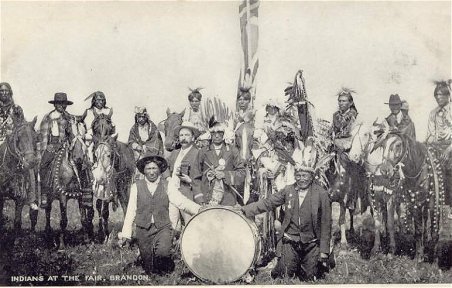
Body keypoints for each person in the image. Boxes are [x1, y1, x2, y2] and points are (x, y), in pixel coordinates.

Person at [241, 144, 332, 281]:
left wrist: (324, 251)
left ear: (312, 176)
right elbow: (268, 203)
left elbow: (326, 224)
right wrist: (245, 209)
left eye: (305, 176)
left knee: (310, 277)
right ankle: (288, 261)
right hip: (291, 240)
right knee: (284, 275)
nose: (301, 179)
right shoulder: (288, 190)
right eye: (298, 175)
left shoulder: (321, 194)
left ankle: (310, 263)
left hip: (311, 243)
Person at [118, 154, 201, 275]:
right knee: (149, 268)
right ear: (144, 171)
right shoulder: (136, 187)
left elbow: (181, 201)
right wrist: (126, 234)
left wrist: (199, 209)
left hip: (163, 227)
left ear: (160, 170)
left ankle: (164, 267)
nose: (152, 172)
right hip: (143, 229)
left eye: (154, 168)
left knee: (163, 253)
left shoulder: (167, 185)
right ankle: (149, 262)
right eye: (148, 169)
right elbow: (131, 211)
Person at [0, 82, 36, 209]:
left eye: (6, 91)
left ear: (10, 93)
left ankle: (32, 198)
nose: (4, 93)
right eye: (1, 91)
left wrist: (14, 132)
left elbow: (21, 125)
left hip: (13, 141)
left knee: (29, 165)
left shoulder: (16, 109)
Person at [329, 88, 366, 211]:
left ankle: (352, 198)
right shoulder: (335, 115)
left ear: (350, 103)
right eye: (339, 101)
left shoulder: (354, 116)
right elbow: (333, 130)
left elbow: (355, 134)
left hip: (349, 146)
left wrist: (345, 144)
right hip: (336, 146)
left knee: (353, 169)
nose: (341, 103)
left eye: (344, 101)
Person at [37, 93, 75, 208]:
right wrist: (47, 147)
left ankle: (84, 193)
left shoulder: (69, 118)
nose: (62, 106)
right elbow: (42, 135)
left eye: (64, 104)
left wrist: (69, 142)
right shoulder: (47, 117)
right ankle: (44, 194)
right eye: (59, 103)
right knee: (43, 165)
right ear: (55, 104)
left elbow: (72, 134)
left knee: (80, 162)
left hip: (65, 146)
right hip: (51, 146)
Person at [165, 121, 204, 229]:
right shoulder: (175, 153)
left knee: (189, 225)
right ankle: (171, 244)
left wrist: (190, 180)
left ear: (193, 138)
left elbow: (203, 176)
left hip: (188, 194)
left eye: (187, 135)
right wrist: (168, 177)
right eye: (181, 135)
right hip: (173, 192)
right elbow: (163, 166)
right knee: (171, 223)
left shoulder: (198, 153)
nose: (183, 138)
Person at [199, 118, 246, 206]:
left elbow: (242, 173)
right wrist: (199, 197)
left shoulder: (233, 151)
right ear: (210, 134)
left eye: (220, 133)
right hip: (207, 197)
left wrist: (225, 175)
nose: (216, 136)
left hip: (227, 198)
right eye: (213, 133)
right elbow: (196, 176)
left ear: (224, 134)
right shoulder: (203, 151)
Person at [426, 80, 452, 216]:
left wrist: (448, 150)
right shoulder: (432, 113)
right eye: (436, 95)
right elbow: (430, 134)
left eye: (441, 94)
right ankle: (432, 204)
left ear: (448, 95)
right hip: (436, 148)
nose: (438, 97)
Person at [128, 106, 163, 179]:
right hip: (137, 154)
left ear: (146, 117)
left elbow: (157, 140)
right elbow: (131, 140)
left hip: (152, 153)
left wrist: (146, 147)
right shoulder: (134, 128)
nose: (141, 119)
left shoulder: (152, 128)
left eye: (142, 117)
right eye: (139, 117)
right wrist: (136, 146)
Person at [82, 91, 115, 162]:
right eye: (98, 100)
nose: (100, 102)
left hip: (107, 139)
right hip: (92, 139)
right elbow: (87, 129)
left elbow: (113, 127)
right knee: (89, 151)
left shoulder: (108, 111)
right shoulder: (89, 112)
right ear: (94, 100)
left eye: (102, 100)